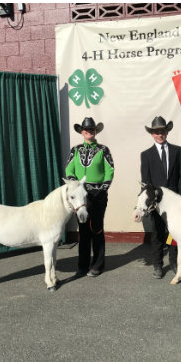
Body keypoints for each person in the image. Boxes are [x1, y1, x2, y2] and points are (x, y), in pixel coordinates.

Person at [64, 116, 115, 278]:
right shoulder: (75, 150)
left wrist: (102, 189)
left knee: (97, 229)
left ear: (95, 131)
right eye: (86, 130)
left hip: (98, 195)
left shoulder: (103, 150)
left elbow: (110, 171)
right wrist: (76, 186)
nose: (89, 132)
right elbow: (69, 170)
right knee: (84, 231)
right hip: (81, 197)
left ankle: (98, 265)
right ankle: (82, 265)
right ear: (82, 132)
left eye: (92, 129)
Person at [139, 115, 181, 279]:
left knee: (173, 234)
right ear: (152, 134)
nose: (160, 134)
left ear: (167, 131)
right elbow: (146, 183)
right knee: (158, 233)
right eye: (157, 132)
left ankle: (174, 262)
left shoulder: (177, 151)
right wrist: (148, 202)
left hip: (175, 203)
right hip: (156, 203)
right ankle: (158, 265)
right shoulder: (146, 155)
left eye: (163, 131)